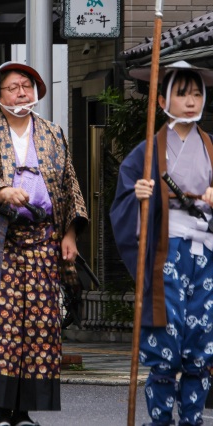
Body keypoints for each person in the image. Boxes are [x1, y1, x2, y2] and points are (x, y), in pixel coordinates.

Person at [0, 61, 88, 426]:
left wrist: (69, 233)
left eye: (27, 87)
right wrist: (1, 191)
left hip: (44, 239)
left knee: (39, 324)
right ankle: (2, 409)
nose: (21, 93)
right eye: (13, 87)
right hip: (1, 239)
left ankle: (26, 409)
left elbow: (69, 185)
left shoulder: (52, 133)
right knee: (0, 325)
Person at [110, 61, 213, 426]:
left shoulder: (211, 148)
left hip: (205, 258)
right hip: (164, 256)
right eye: (182, 93)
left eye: (197, 93)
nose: (191, 101)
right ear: (161, 99)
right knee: (164, 348)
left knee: (200, 349)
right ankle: (159, 422)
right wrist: (139, 195)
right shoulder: (147, 151)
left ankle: (192, 421)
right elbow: (122, 205)